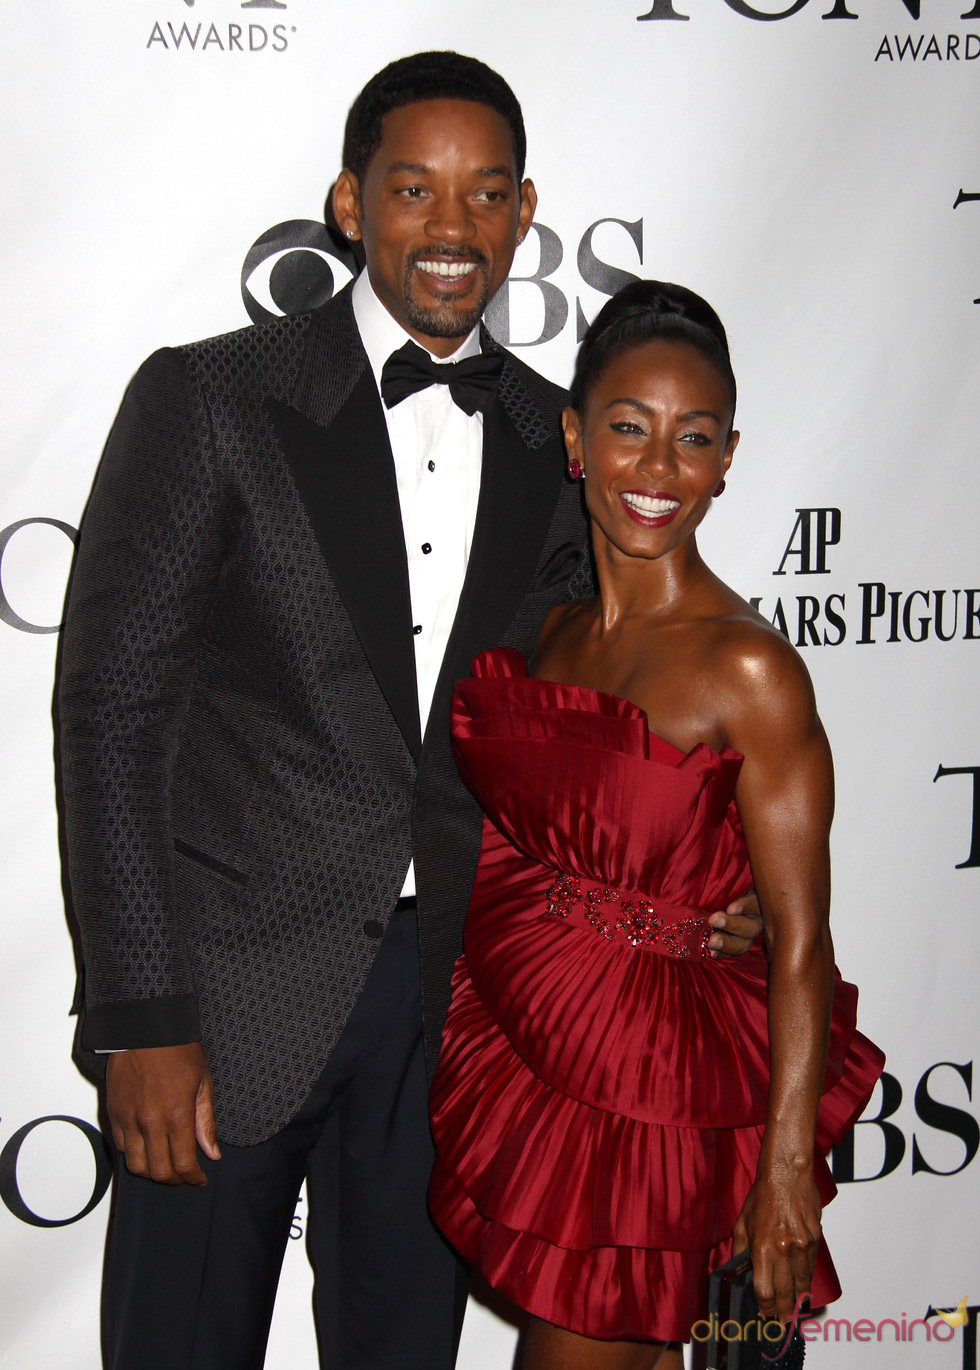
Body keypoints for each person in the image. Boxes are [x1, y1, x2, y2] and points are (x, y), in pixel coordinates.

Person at [58, 53, 763, 1370]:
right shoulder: (211, 398)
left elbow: (610, 705)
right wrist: (139, 1016)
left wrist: (722, 880)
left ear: (524, 210)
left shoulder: (563, 443)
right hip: (224, 1001)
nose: (452, 229)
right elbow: (110, 717)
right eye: (416, 189)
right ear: (349, 201)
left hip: (451, 1020)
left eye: (485, 193)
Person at [428, 280, 886, 1370]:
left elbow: (801, 941)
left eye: (693, 440)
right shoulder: (550, 635)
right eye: (629, 429)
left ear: (727, 457)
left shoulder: (746, 666)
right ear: (576, 438)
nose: (657, 470)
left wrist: (781, 1176)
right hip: (544, 1057)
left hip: (663, 1097)